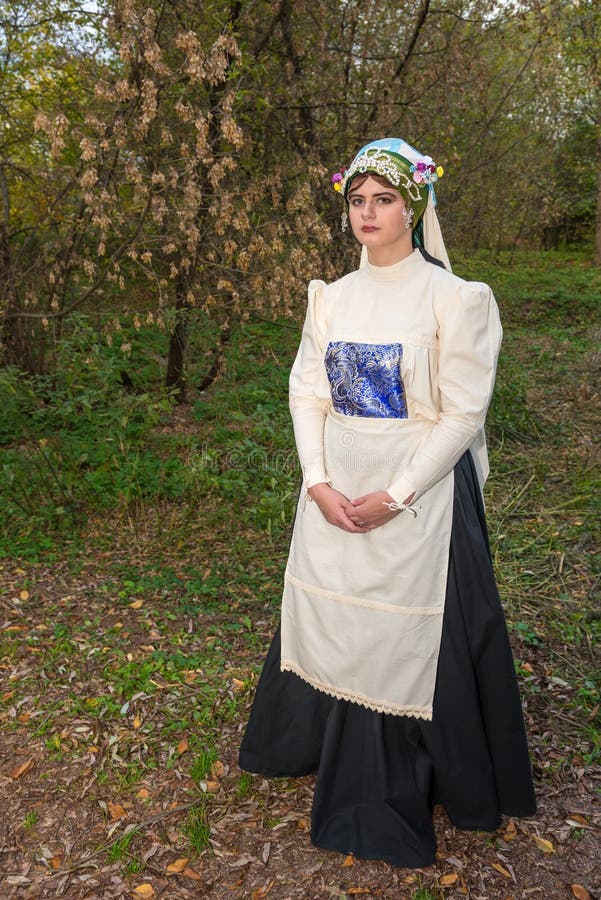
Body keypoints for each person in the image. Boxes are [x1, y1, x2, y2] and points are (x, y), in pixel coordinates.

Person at [239, 138, 536, 868]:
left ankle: (416, 773)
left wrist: (397, 495)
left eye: (384, 199)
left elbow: (462, 414)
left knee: (411, 631)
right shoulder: (330, 297)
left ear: (414, 206)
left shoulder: (455, 299)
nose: (368, 213)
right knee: (335, 611)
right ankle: (313, 740)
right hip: (337, 485)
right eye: (357, 200)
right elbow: (307, 389)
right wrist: (316, 481)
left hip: (420, 492)